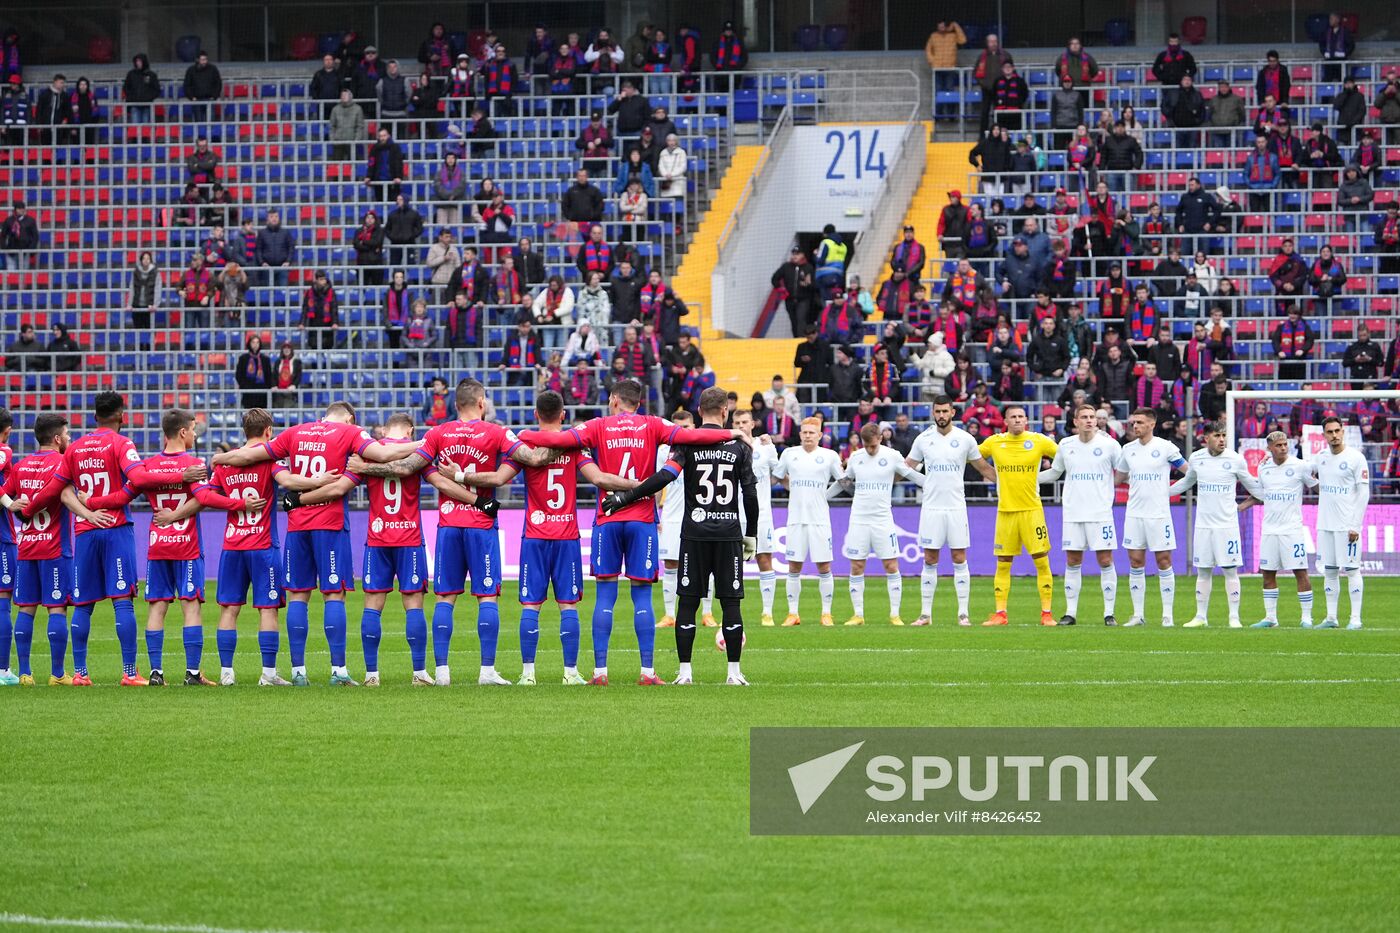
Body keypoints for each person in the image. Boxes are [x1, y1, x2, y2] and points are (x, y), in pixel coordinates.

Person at [518, 378, 736, 681]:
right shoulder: (652, 424)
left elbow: (556, 440)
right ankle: (647, 671)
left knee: (605, 595)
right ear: (638, 402)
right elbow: (694, 436)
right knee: (642, 596)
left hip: (608, 518)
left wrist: (522, 433)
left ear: (613, 399)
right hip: (642, 519)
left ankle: (600, 671)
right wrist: (733, 432)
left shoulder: (598, 425)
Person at [211, 401, 421, 686]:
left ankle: (298, 672)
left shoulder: (294, 433)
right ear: (348, 417)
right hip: (330, 523)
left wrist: (222, 459)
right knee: (333, 594)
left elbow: (251, 454)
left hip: (297, 526)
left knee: (299, 595)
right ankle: (338, 671)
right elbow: (383, 452)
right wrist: (424, 442)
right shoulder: (350, 432)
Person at [22, 393, 207, 685]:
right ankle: (130, 673)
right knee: (122, 600)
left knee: (83, 603)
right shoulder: (122, 444)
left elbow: (54, 489)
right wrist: (182, 475)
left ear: (95, 416)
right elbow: (141, 480)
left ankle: (81, 673)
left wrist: (28, 511)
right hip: (116, 528)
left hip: (84, 532)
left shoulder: (76, 447)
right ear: (122, 416)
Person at [79, 409, 256, 686]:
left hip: (158, 545)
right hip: (186, 546)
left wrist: (90, 503)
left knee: (157, 607)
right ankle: (192, 673)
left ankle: (156, 673)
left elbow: (121, 497)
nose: (196, 434)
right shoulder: (194, 464)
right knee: (191, 606)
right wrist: (240, 504)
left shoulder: (147, 467)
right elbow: (204, 498)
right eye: (194, 429)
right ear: (183, 432)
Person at [4, 414, 111, 686]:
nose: (70, 439)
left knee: (26, 609)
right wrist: (88, 514)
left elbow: (5, 493)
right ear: (56, 438)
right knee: (56, 609)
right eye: (67, 435)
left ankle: (25, 673)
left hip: (27, 548)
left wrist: (12, 505)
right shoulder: (62, 463)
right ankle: (57, 673)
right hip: (54, 549)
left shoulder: (21, 465)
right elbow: (65, 496)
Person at [1169, 421, 1262, 628]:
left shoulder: (1236, 460)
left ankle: (1234, 617)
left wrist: (1268, 495)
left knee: (1230, 571)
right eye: (1217, 436)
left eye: (1224, 436)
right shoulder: (1197, 458)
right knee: (1203, 571)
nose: (1222, 440)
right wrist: (1163, 493)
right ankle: (1200, 616)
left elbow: (1252, 486)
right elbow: (1187, 482)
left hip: (1227, 526)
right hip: (1203, 526)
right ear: (1206, 438)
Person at [1036, 404, 1123, 625]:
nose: (1089, 420)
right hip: (1073, 512)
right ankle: (1071, 613)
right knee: (1073, 560)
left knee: (1105, 560)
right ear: (1075, 421)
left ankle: (1109, 613)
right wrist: (1029, 479)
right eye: (1084, 416)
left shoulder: (1110, 445)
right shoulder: (1066, 445)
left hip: (1101, 513)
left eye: (1092, 416)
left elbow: (1124, 471)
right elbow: (1055, 473)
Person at [832, 422, 925, 627]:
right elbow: (845, 483)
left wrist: (932, 484)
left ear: (881, 439)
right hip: (859, 519)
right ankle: (858, 615)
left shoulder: (892, 456)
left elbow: (910, 474)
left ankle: (894, 615)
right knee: (856, 565)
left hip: (883, 519)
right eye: (867, 446)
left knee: (891, 565)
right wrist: (823, 496)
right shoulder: (856, 457)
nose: (870, 450)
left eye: (873, 446)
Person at [975, 406, 1058, 625]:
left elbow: (1065, 455)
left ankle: (1047, 614)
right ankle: (1000, 614)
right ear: (1005, 421)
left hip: (1032, 511)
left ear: (1027, 420)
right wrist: (990, 473)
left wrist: (1049, 475)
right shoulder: (994, 442)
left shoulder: (1039, 441)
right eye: (1013, 417)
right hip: (1006, 512)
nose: (1018, 420)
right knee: (1003, 563)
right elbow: (972, 456)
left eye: (1021, 416)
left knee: (1042, 562)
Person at [1112, 407, 1189, 627]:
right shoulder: (1127, 449)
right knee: (1135, 562)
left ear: (1152, 424)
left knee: (1163, 562)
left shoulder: (1166, 448)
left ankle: (1167, 615)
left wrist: (1171, 490)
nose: (1135, 426)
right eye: (1133, 422)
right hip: (1134, 514)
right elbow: (1119, 478)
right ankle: (1138, 615)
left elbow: (1188, 472)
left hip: (1159, 515)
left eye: (1140, 423)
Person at [1238, 431, 1318, 628]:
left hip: (1292, 530)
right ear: (1270, 448)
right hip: (1269, 530)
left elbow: (1317, 487)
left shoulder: (1300, 466)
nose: (1283, 448)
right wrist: (1238, 508)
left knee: (1300, 572)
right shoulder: (1264, 468)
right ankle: (1271, 618)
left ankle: (1307, 617)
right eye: (1279, 445)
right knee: (1267, 573)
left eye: (1285, 444)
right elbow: (1260, 495)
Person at [769, 417, 843, 626]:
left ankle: (826, 613)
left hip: (820, 519)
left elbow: (842, 481)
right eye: (805, 432)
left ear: (820, 435)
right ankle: (793, 614)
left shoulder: (829, 456)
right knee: (794, 567)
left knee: (824, 566)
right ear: (800, 434)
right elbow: (777, 477)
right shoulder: (789, 454)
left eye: (812, 432)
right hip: (796, 519)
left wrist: (825, 495)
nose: (808, 436)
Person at [1310, 415, 1369, 628]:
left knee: (1352, 570)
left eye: (1337, 431)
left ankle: (1355, 619)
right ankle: (1331, 618)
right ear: (1324, 434)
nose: (1334, 435)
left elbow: (1363, 493)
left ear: (1343, 431)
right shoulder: (1321, 457)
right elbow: (1302, 471)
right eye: (1330, 432)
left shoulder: (1356, 458)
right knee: (1330, 570)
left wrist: (1356, 525)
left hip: (1347, 526)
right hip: (1325, 524)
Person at [364, 127, 405, 203]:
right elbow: (371, 163)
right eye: (380, 136)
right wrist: (368, 176)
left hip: (392, 181)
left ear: (388, 136)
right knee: (379, 202)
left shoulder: (395, 147)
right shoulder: (374, 148)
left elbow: (398, 163)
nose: (382, 138)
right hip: (378, 181)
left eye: (384, 135)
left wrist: (398, 177)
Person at [301, 269, 339, 350]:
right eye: (321, 279)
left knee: (326, 349)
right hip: (314, 323)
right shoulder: (310, 292)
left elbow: (334, 308)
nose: (323, 281)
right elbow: (305, 308)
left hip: (327, 324)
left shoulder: (331, 292)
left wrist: (335, 322)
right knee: (314, 349)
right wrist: (302, 323)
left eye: (324, 279)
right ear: (316, 280)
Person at [254, 210, 294, 287]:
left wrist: (288, 261)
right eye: (271, 217)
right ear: (267, 219)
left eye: (276, 216)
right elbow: (258, 249)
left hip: (282, 267)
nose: (274, 219)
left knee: (283, 292)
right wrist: (262, 262)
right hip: (267, 268)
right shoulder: (262, 233)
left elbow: (291, 248)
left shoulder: (285, 232)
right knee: (268, 293)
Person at [384, 194, 424, 267]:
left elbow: (419, 228)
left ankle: (410, 278)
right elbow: (387, 229)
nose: (398, 201)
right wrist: (392, 236)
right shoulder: (392, 214)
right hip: (395, 244)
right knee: (394, 265)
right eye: (397, 200)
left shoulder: (414, 214)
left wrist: (411, 235)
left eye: (400, 199)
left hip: (410, 243)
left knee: (411, 265)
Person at [182, 50, 221, 123]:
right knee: (198, 122)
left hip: (209, 99)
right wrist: (192, 97)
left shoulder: (213, 69)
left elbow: (218, 83)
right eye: (202, 60)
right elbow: (187, 85)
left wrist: (214, 96)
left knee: (210, 121)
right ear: (197, 60)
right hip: (196, 100)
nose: (204, 62)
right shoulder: (191, 70)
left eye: (205, 59)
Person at [234, 334, 271, 410]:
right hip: (248, 392)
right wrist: (244, 386)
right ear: (249, 344)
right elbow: (239, 374)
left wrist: (266, 387)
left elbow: (269, 375)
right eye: (253, 342)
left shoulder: (265, 359)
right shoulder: (243, 358)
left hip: (262, 393)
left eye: (257, 342)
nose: (255, 345)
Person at [121, 53, 160, 122]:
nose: (138, 63)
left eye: (140, 61)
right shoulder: (131, 74)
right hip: (134, 105)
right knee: (135, 127)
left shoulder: (151, 75)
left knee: (146, 128)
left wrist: (148, 98)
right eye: (137, 61)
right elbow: (126, 87)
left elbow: (156, 90)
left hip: (147, 105)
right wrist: (131, 98)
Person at [1, 201, 38, 272]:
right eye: (19, 208)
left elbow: (35, 236)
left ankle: (22, 283)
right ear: (15, 209)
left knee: (24, 271)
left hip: (25, 249)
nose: (22, 210)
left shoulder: (30, 220)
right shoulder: (9, 220)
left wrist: (32, 249)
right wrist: (4, 248)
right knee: (11, 271)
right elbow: (3, 235)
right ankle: (12, 283)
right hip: (11, 249)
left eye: (23, 208)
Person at [1319, 11, 1354, 81]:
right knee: (1327, 80)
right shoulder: (1326, 32)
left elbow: (1351, 45)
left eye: (1332, 19)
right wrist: (1324, 53)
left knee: (1341, 79)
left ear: (1337, 20)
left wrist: (1344, 53)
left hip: (1341, 62)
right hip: (1329, 61)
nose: (1330, 21)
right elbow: (1321, 44)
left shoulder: (1345, 32)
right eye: (1330, 19)